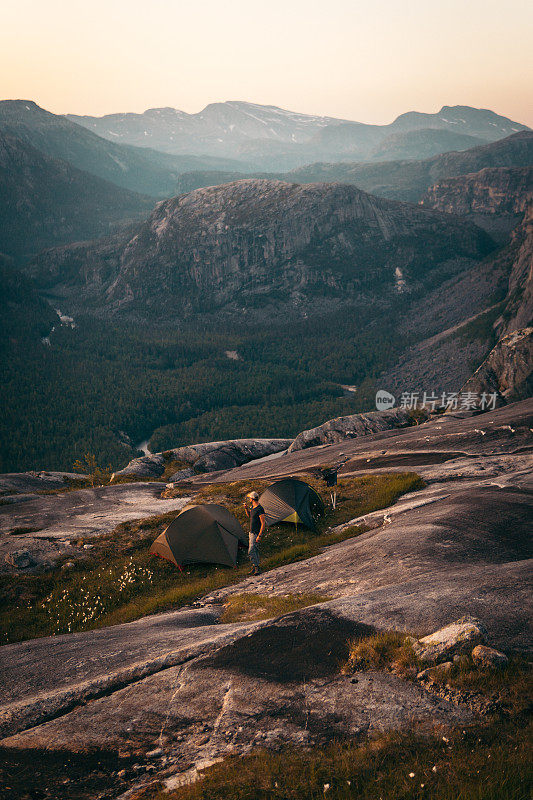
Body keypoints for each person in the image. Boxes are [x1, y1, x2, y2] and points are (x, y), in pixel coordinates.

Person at [243, 490, 266, 575]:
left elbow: (263, 523)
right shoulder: (253, 507)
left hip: (256, 533)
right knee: (254, 550)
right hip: (251, 533)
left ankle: (257, 567)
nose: (249, 499)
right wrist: (246, 509)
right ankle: (255, 566)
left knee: (251, 551)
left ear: (252, 499)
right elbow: (250, 516)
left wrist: (259, 535)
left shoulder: (260, 509)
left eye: (249, 498)